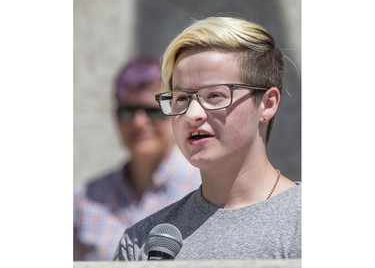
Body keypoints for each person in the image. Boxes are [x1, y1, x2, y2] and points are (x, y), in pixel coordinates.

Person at [113, 16, 301, 261]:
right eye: (181, 98)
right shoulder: (142, 243)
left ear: (267, 103)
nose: (192, 114)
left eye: (214, 95)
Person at [73, 57, 201, 260]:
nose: (139, 122)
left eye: (152, 111)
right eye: (128, 112)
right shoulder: (86, 198)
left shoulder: (205, 189)